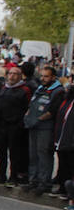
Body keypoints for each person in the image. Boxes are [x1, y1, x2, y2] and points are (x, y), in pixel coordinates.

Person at [24, 64, 61, 193]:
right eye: (42, 76)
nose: (43, 78)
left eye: (46, 76)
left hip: (45, 128)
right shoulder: (40, 88)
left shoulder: (57, 91)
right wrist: (28, 117)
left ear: (53, 77)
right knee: (33, 155)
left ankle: (44, 182)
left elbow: (52, 111)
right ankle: (33, 180)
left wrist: (38, 120)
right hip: (33, 126)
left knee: (43, 155)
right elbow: (32, 105)